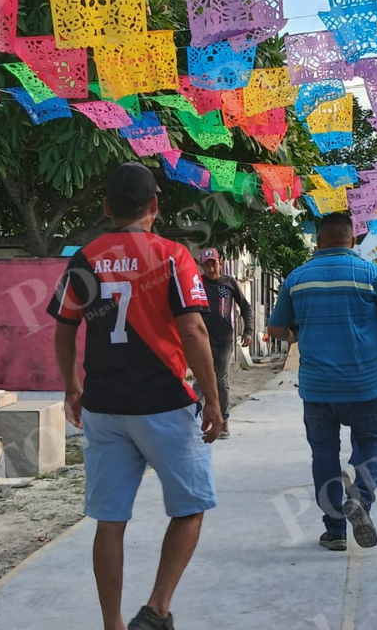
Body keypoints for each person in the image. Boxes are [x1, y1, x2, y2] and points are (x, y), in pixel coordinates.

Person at [49, 162, 224, 630]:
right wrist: (212, 398)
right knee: (190, 508)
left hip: (103, 407)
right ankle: (158, 608)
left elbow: (64, 330)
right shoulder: (172, 255)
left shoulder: (85, 258)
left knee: (110, 520)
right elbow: (194, 330)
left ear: (106, 208)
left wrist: (72, 387)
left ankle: (113, 624)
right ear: (154, 206)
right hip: (164, 402)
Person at [267, 213, 377, 552]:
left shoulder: (297, 278)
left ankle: (335, 529)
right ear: (353, 241)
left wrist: (295, 334)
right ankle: (361, 497)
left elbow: (276, 330)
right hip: (366, 385)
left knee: (324, 454)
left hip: (318, 388)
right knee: (375, 443)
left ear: (318, 241)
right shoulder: (370, 274)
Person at [196, 248, 255, 440]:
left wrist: (248, 330)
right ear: (202, 266)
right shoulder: (198, 284)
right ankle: (192, 421)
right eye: (207, 265)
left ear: (220, 263)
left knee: (221, 381)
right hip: (202, 340)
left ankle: (223, 421)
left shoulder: (229, 283)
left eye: (214, 263)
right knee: (200, 381)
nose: (211, 268)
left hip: (224, 340)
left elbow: (245, 307)